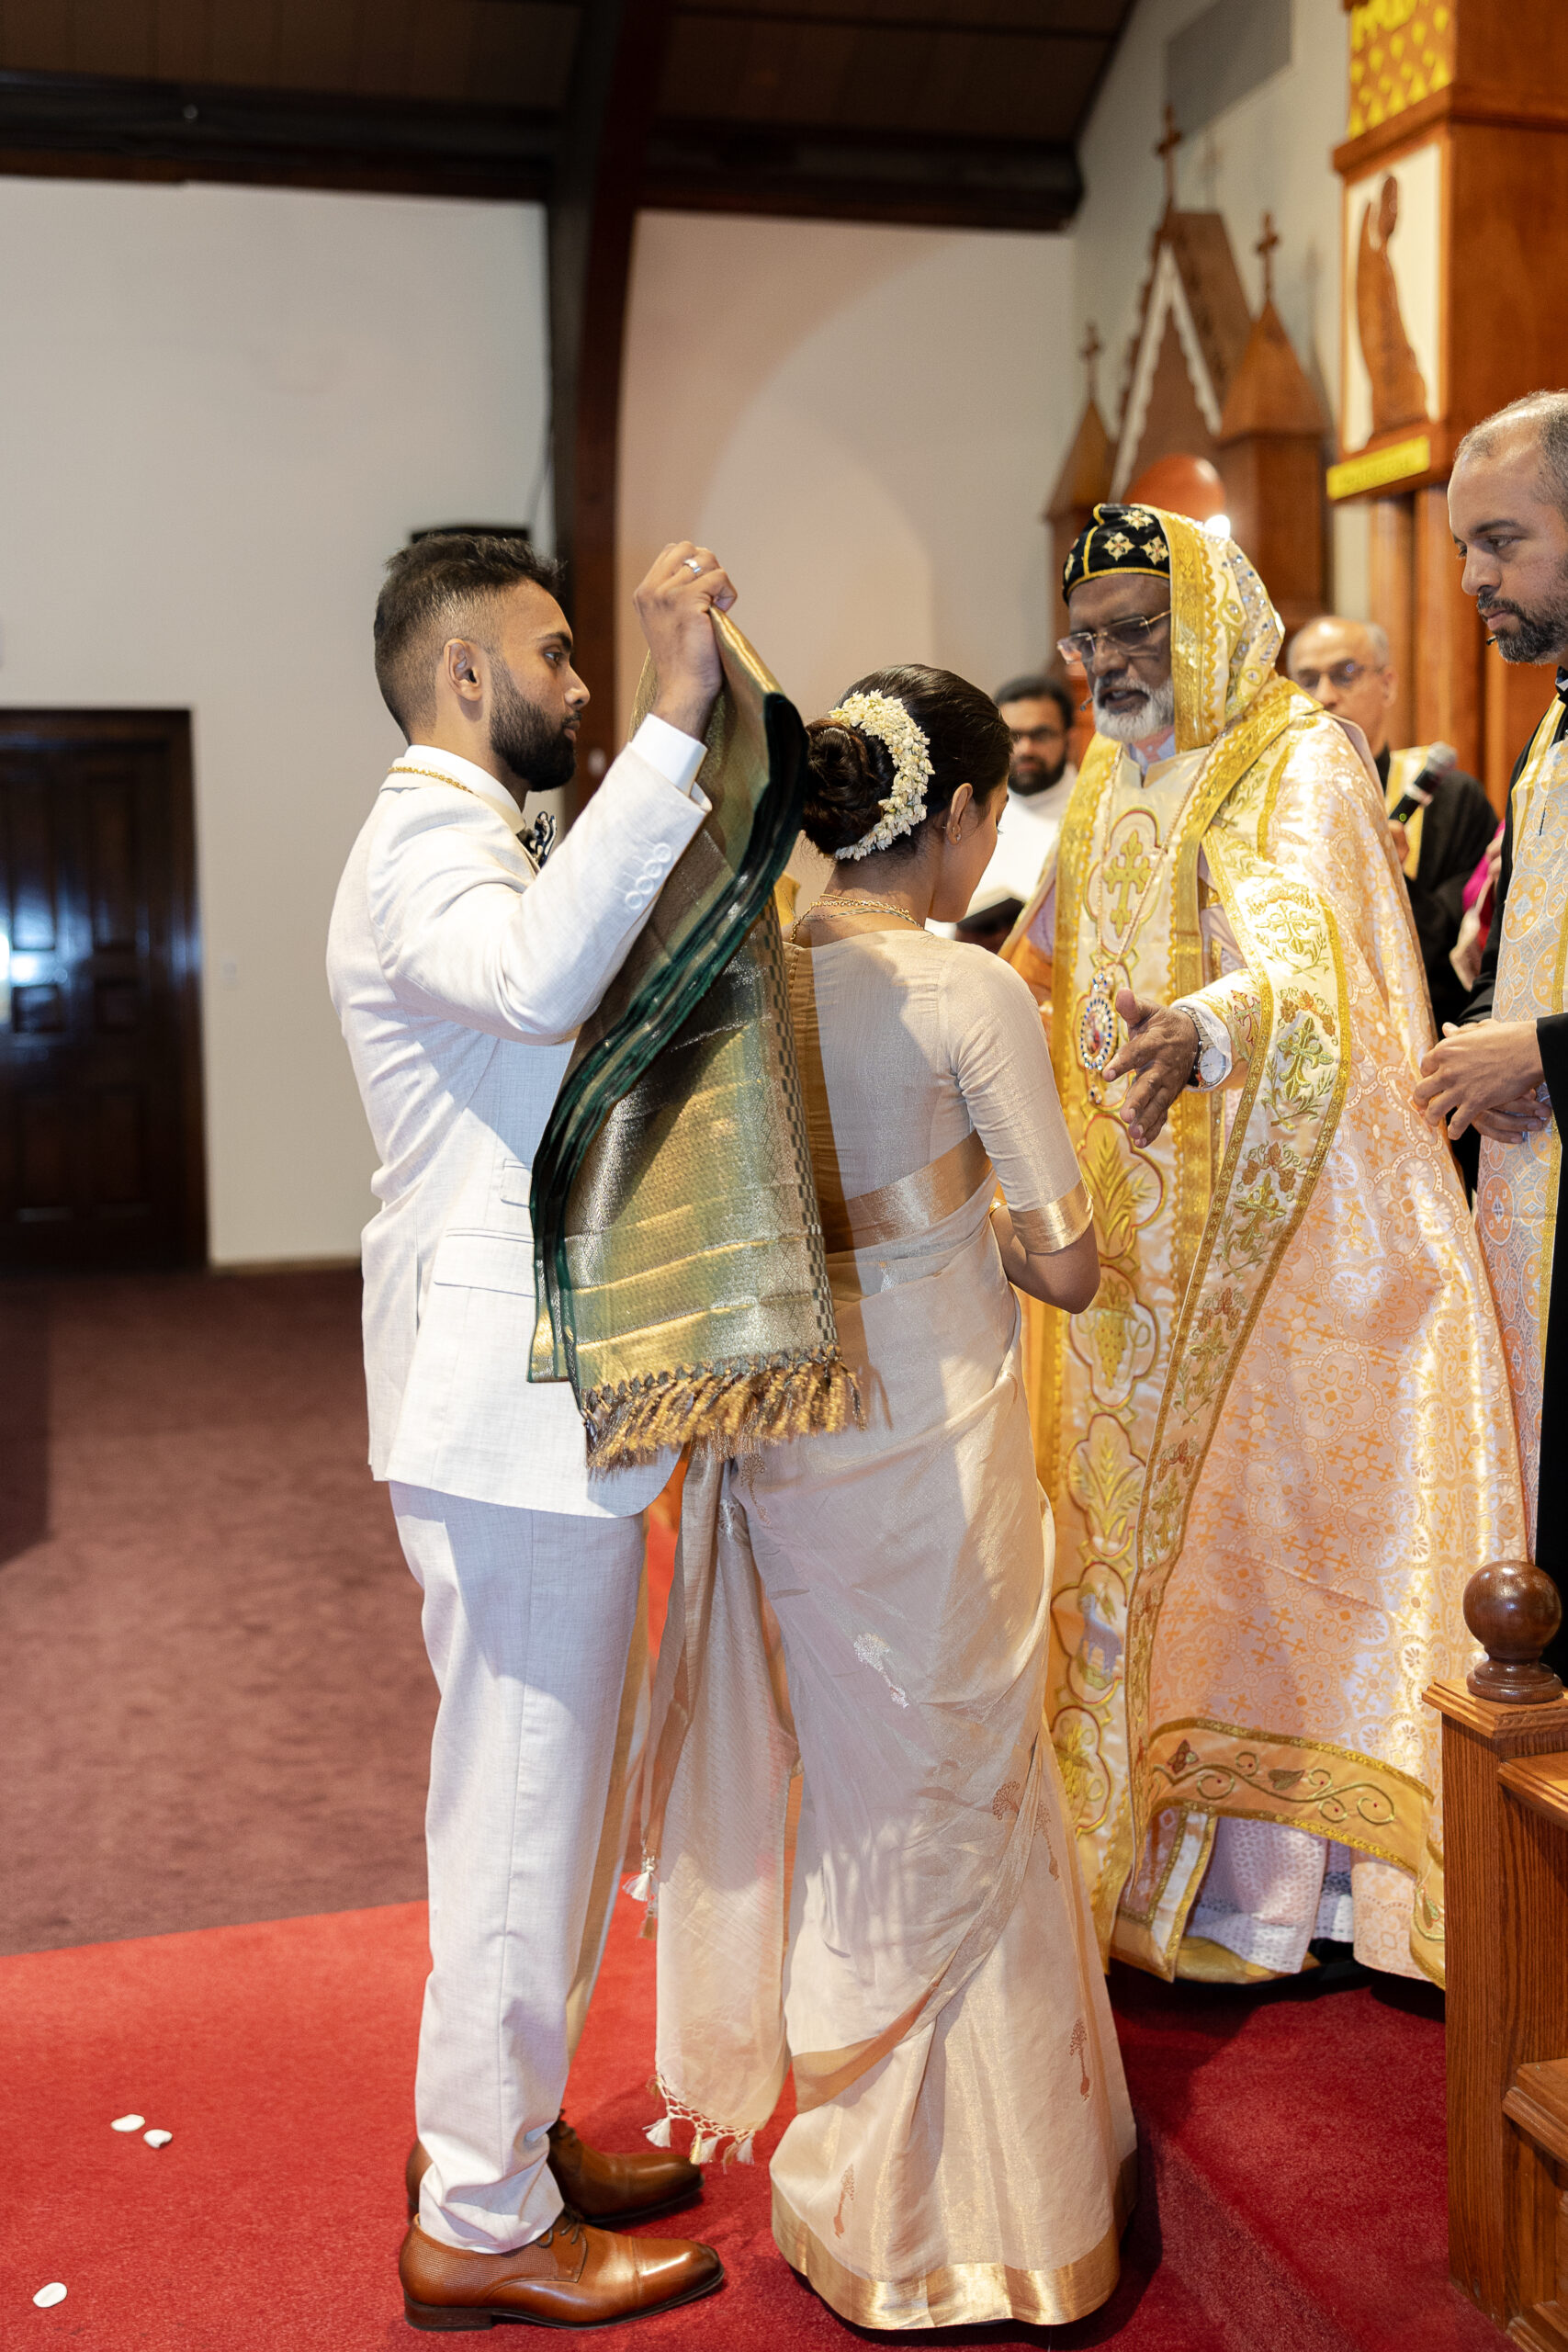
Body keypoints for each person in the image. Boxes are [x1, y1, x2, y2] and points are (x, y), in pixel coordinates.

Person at [641, 667, 1136, 2329]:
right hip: (936, 1433)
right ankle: (994, 2213)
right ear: (970, 816)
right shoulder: (964, 991)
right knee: (972, 1771)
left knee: (859, 1786)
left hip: (792, 1443)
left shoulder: (751, 974)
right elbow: (1065, 1263)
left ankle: (861, 2186)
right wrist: (1006, 1230)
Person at [1004, 503, 1526, 1987]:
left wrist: (1204, 1032)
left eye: (1133, 635)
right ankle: (1130, 1852)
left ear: (1214, 618)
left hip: (1279, 1233)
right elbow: (1040, 951)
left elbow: (1322, 982)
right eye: (1087, 637)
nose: (1107, 665)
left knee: (1265, 1545)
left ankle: (1269, 1895)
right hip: (1121, 1233)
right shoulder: (1110, 772)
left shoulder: (1291, 757)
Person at [327, 531, 735, 2331]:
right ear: (466, 676)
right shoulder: (427, 832)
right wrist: (668, 725)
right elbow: (533, 984)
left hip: (522, 1396)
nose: (578, 684)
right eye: (557, 658)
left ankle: (509, 2131)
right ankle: (479, 2217)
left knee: (543, 1813)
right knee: (517, 1813)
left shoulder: (467, 834)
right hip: (498, 1409)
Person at [1416, 390, 1568, 1674]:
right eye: (1462, 547)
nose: (1470, 576)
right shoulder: (1550, 729)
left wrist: (1543, 1056)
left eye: (1501, 541)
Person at [1287, 614, 1496, 1032]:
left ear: (1388, 685)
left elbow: (1467, 956)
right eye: (1307, 680)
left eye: (1345, 674)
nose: (1325, 696)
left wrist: (1392, 879)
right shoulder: (1275, 810)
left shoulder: (1451, 800)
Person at [949, 672, 1078, 949]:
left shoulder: (1093, 809)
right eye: (1013, 736)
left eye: (1041, 735)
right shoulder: (969, 808)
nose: (1026, 749)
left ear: (1070, 739)